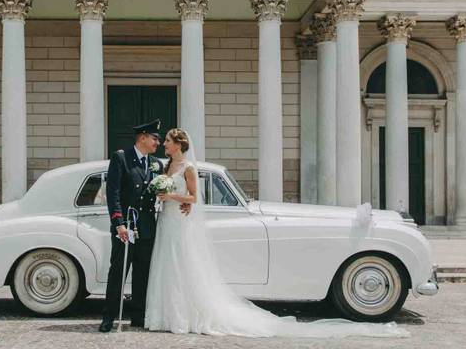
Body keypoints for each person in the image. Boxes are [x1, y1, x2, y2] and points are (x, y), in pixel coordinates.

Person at [144, 128, 408, 339]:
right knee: (169, 266)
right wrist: (168, 196)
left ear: (177, 144)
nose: (163, 143)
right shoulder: (166, 167)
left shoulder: (188, 168)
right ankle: (167, 314)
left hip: (179, 220)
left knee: (184, 266)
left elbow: (193, 197)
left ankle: (182, 315)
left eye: (167, 140)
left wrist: (171, 195)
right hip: (169, 221)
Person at [100, 119, 173, 332]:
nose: (157, 143)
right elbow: (112, 194)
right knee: (118, 273)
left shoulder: (156, 164)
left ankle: (138, 316)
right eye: (154, 138)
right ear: (142, 138)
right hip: (126, 227)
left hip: (147, 228)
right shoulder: (121, 158)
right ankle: (108, 317)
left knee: (143, 274)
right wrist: (119, 224)